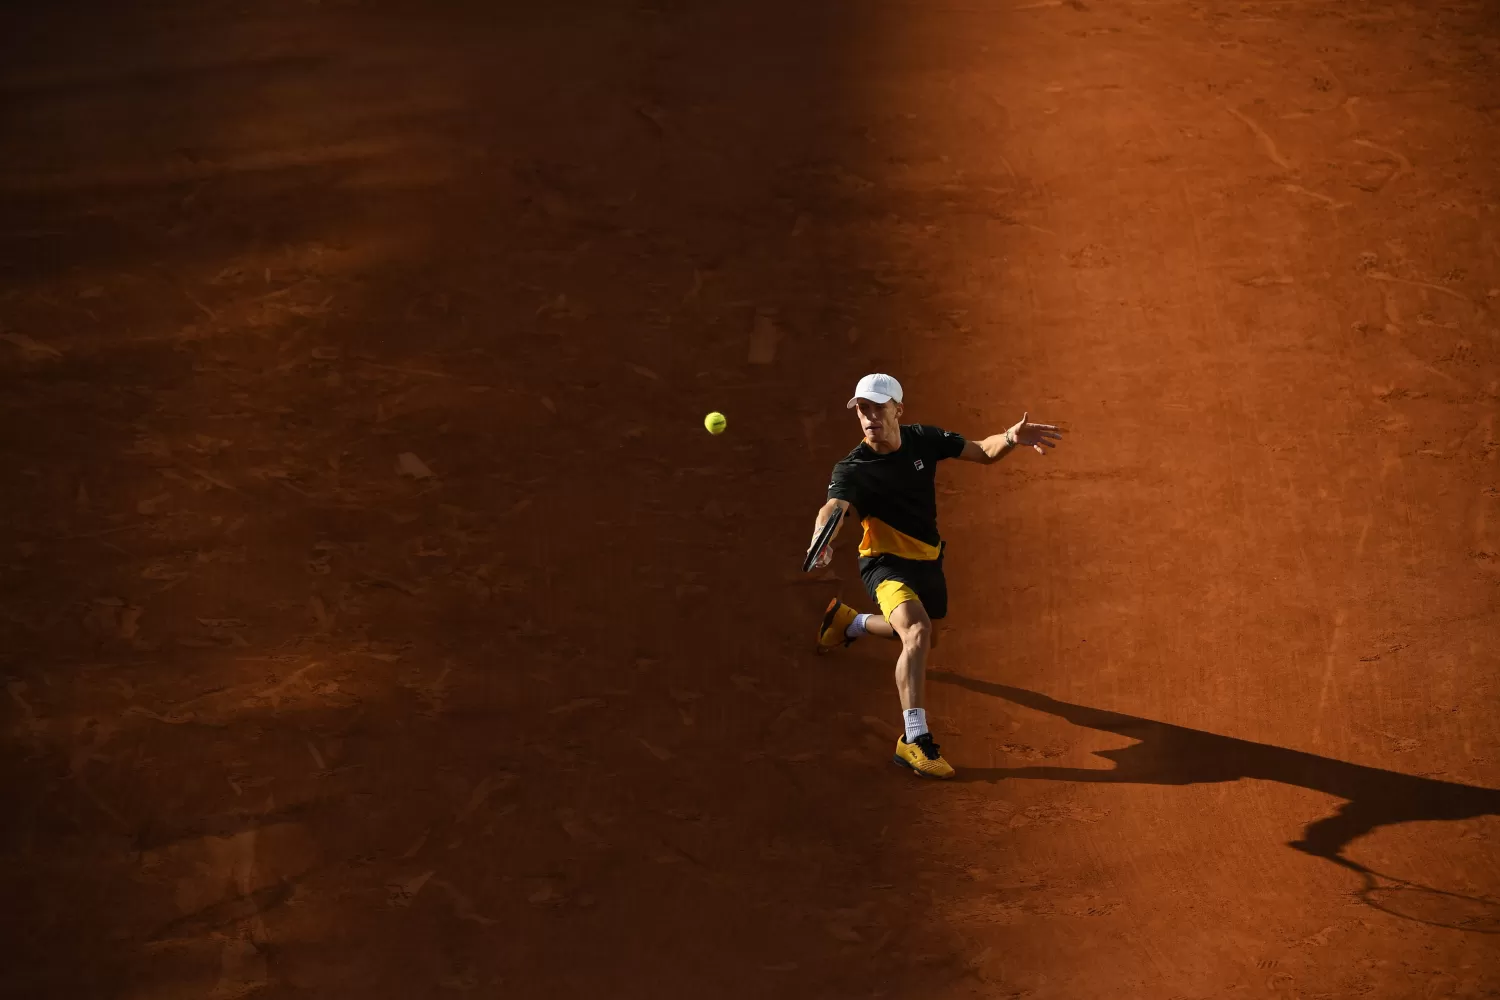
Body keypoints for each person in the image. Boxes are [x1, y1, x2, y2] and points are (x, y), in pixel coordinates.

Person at [806, 373, 1062, 778]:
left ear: (898, 410)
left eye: (877, 407)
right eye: (862, 409)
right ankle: (914, 740)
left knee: (924, 638)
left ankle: (849, 623)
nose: (869, 416)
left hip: (928, 559)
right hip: (883, 563)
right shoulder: (852, 467)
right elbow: (834, 507)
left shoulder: (924, 438)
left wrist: (1012, 438)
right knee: (917, 632)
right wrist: (823, 535)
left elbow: (981, 451)